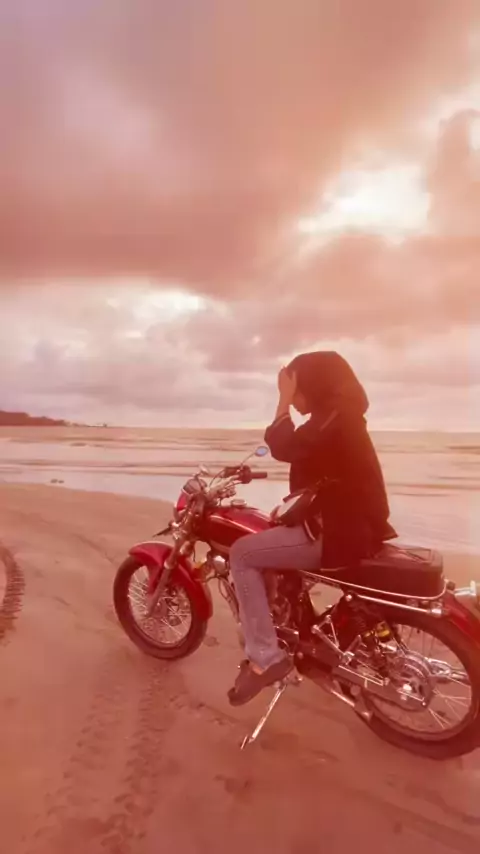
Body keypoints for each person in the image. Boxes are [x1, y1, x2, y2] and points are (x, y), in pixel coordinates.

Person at [227, 350, 396, 706]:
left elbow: (285, 446)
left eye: (296, 389)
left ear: (314, 385)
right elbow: (321, 470)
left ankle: (265, 658)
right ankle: (293, 622)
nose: (293, 400)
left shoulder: (334, 416)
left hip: (338, 532)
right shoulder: (339, 415)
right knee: (272, 532)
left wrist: (282, 400)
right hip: (348, 524)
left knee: (241, 554)